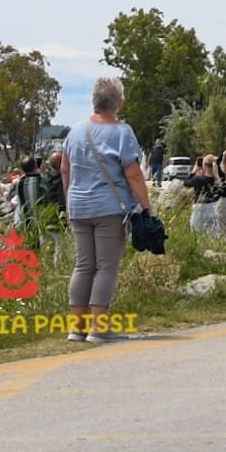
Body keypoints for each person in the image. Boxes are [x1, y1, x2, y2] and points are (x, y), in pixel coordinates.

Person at [59, 76, 153, 345]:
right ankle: (98, 329)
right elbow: (133, 174)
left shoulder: (75, 131)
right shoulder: (122, 132)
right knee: (106, 267)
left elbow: (65, 168)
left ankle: (76, 328)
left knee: (83, 265)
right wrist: (147, 208)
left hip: (78, 205)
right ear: (119, 103)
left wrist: (70, 199)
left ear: (94, 101)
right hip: (109, 207)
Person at [187, 155, 219, 237]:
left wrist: (194, 170)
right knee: (213, 236)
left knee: (197, 234)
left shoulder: (198, 179)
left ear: (204, 165)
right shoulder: (216, 181)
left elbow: (186, 183)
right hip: (212, 207)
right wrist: (216, 175)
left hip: (199, 207)